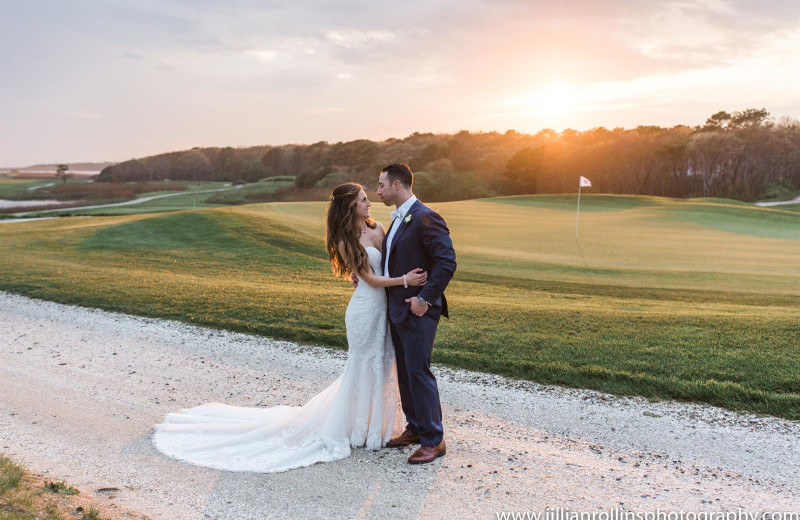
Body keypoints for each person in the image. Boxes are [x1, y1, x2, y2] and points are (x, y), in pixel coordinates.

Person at [151, 182, 428, 473]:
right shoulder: (346, 241)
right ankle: (359, 429)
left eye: (367, 199)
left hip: (383, 309)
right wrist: (405, 281)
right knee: (362, 366)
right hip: (363, 310)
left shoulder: (379, 228)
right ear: (349, 207)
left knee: (384, 365)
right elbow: (370, 280)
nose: (369, 203)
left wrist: (402, 281)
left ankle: (376, 427)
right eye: (362, 200)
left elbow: (386, 266)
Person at [376, 163, 456, 464]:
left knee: (419, 372)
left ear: (398, 184)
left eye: (382, 184)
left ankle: (434, 440)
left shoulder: (426, 217)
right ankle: (416, 427)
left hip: (418, 309)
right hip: (396, 308)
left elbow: (447, 263)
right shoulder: (397, 218)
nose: (378, 191)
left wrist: (423, 298)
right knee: (406, 373)